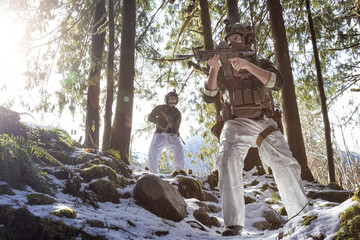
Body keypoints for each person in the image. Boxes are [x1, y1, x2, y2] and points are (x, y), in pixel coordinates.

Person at [203, 20, 309, 236]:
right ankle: (233, 224)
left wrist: (248, 66)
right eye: (230, 38)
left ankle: (301, 217)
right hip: (235, 122)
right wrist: (213, 69)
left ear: (247, 40)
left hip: (264, 122)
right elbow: (209, 96)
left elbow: (278, 83)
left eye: (237, 38)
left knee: (285, 163)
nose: (232, 41)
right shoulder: (223, 68)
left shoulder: (262, 62)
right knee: (227, 159)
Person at [147, 90, 185, 174]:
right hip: (159, 134)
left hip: (172, 135)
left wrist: (174, 129)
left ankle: (179, 171)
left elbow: (177, 126)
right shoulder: (160, 108)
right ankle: (153, 172)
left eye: (174, 99)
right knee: (153, 151)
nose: (172, 100)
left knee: (179, 150)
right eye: (171, 98)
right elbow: (150, 117)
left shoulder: (177, 113)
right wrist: (158, 121)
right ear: (167, 99)